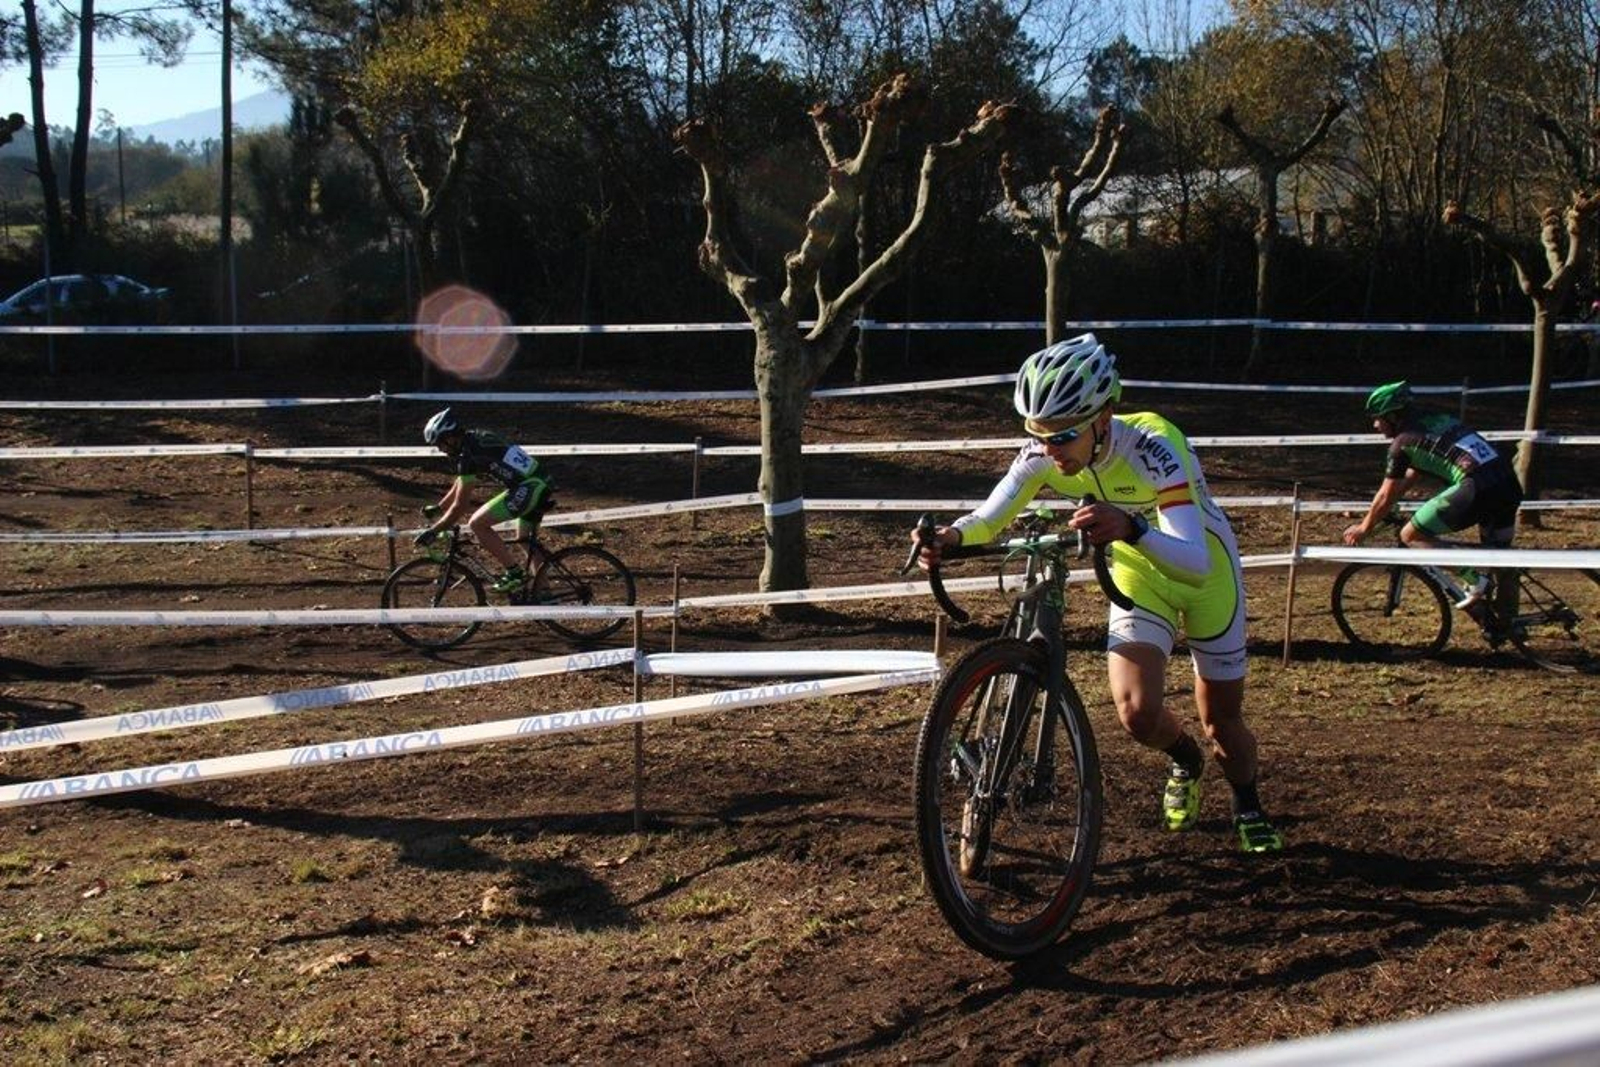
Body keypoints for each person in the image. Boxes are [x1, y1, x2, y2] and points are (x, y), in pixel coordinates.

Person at [914, 333, 1283, 853]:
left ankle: (1247, 802)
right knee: (1136, 713)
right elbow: (989, 517)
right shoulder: (1044, 452)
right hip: (1139, 575)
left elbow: (1196, 563)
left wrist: (1131, 527)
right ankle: (1185, 759)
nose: (1049, 449)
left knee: (1221, 721)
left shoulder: (1154, 445)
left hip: (1206, 573)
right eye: (1038, 434)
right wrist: (948, 537)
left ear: (1103, 417)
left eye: (1063, 435)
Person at [1341, 381, 1523, 608]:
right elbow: (1409, 476)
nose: (1375, 425)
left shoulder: (1402, 443)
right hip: (1508, 483)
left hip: (1478, 487)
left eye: (1378, 418)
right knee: (1500, 558)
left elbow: (1386, 494)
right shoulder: (1436, 422)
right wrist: (1382, 509)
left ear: (1394, 416)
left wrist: (1364, 527)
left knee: (1411, 535)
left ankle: (1474, 579)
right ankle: (1508, 618)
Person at [415, 408, 555, 593]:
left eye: (441, 444)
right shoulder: (475, 439)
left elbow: (460, 506)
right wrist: (440, 508)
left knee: (477, 524)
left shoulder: (469, 455)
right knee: (524, 540)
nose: (441, 449)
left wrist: (434, 530)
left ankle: (514, 573)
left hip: (530, 486)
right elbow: (461, 482)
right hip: (539, 482)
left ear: (451, 436)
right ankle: (545, 595)